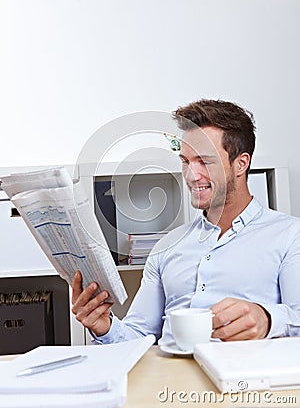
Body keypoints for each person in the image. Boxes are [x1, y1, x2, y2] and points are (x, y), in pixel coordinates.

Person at [72, 99, 300, 344]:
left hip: (244, 379)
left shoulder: (289, 236)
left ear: (240, 164)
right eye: (186, 161)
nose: (192, 175)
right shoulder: (166, 247)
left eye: (205, 161)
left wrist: (267, 319)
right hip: (169, 380)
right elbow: (138, 336)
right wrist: (104, 327)